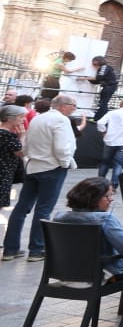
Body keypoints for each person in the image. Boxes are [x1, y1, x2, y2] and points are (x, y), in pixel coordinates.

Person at [3, 94, 77, 262]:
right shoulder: (61, 121)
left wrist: (30, 158)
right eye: (73, 105)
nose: (74, 109)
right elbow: (62, 147)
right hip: (51, 168)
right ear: (63, 106)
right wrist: (65, 163)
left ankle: (10, 249)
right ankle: (36, 250)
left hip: (33, 167)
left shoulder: (37, 118)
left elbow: (26, 145)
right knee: (43, 209)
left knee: (21, 208)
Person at [56, 177, 123, 280]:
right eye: (107, 196)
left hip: (68, 272)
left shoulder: (59, 217)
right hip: (103, 274)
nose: (111, 199)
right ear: (93, 198)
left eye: (111, 195)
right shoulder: (105, 219)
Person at [0, 103, 24, 209]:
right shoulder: (7, 135)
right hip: (3, 175)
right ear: (10, 118)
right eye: (20, 117)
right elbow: (20, 152)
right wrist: (22, 137)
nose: (22, 120)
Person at [87, 56, 119, 122]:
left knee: (103, 103)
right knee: (103, 103)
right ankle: (106, 118)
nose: (93, 65)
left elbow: (99, 77)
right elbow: (97, 81)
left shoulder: (104, 67)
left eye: (95, 63)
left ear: (99, 61)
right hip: (108, 87)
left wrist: (85, 78)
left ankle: (97, 119)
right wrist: (89, 79)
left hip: (109, 87)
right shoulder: (102, 69)